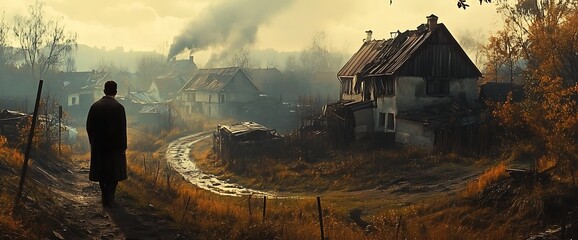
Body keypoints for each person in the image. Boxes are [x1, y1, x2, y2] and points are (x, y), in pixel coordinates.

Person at [86, 80, 127, 207]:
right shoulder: (119, 108)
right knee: (113, 174)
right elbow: (122, 129)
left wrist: (93, 142)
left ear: (104, 91)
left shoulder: (95, 106)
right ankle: (110, 196)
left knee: (101, 173)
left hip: (99, 146)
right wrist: (123, 146)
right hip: (114, 147)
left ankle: (104, 195)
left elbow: (89, 127)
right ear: (116, 92)